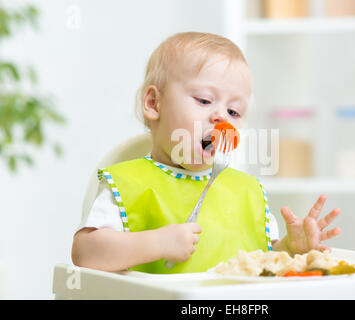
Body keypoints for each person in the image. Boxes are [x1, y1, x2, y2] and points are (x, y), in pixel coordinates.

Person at [71, 32, 341, 273]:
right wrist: (157, 243)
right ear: (154, 103)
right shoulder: (127, 184)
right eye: (204, 100)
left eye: (234, 111)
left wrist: (290, 249)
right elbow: (85, 254)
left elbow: (263, 265)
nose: (221, 117)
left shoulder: (248, 191)